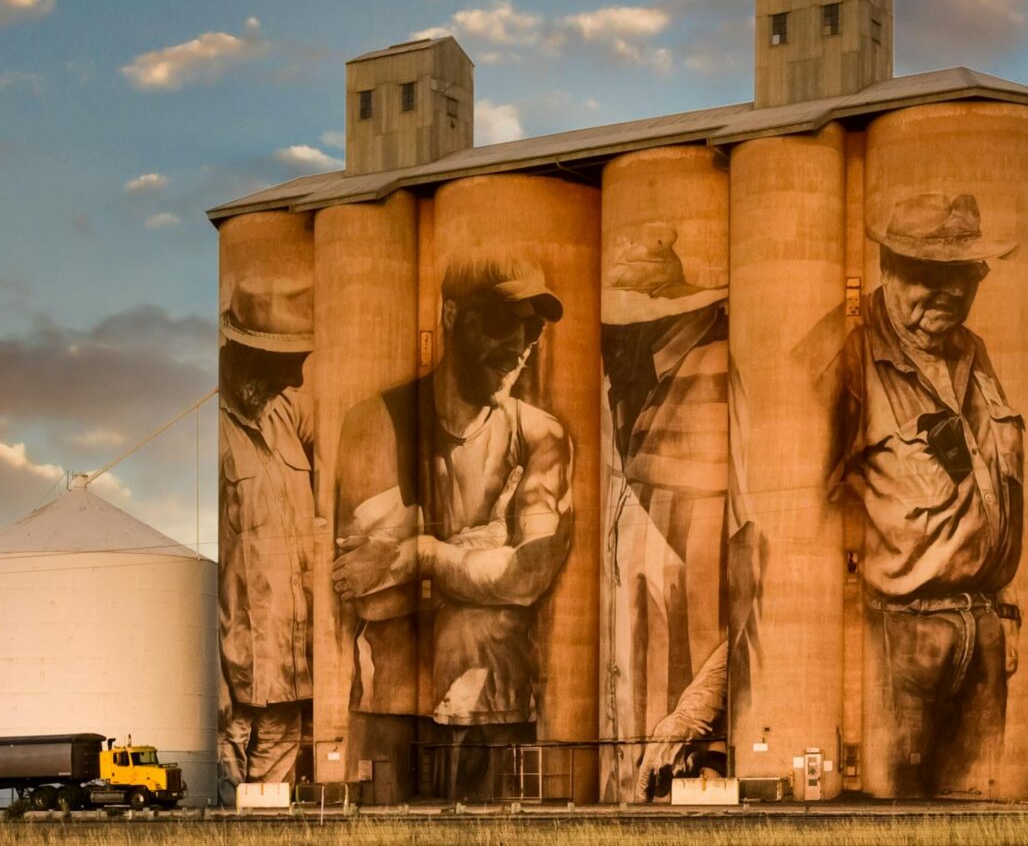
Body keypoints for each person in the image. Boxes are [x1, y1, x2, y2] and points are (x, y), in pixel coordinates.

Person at [330, 255, 574, 800]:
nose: (517, 346)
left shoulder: (540, 436)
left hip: (495, 705)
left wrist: (421, 553)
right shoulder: (380, 422)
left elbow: (529, 573)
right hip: (391, 704)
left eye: (531, 330)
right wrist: (489, 538)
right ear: (449, 315)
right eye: (497, 322)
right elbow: (368, 592)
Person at [826, 192, 1024, 798]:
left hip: (984, 630)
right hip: (899, 636)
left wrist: (1006, 610)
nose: (946, 292)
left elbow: (1000, 494)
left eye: (960, 275)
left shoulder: (975, 353)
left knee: (980, 820)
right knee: (890, 816)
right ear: (887, 269)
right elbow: (799, 508)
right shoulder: (847, 358)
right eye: (925, 274)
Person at [598, 225, 730, 802]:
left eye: (620, 329)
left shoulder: (720, 372)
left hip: (693, 720)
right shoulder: (632, 386)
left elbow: (765, 592)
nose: (608, 345)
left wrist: (692, 716)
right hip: (643, 721)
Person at [217, 275, 315, 792]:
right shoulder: (213, 434)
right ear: (245, 355)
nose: (297, 378)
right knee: (229, 808)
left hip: (289, 672)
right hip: (236, 686)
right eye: (287, 362)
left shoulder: (285, 417)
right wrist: (216, 690)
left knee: (270, 814)